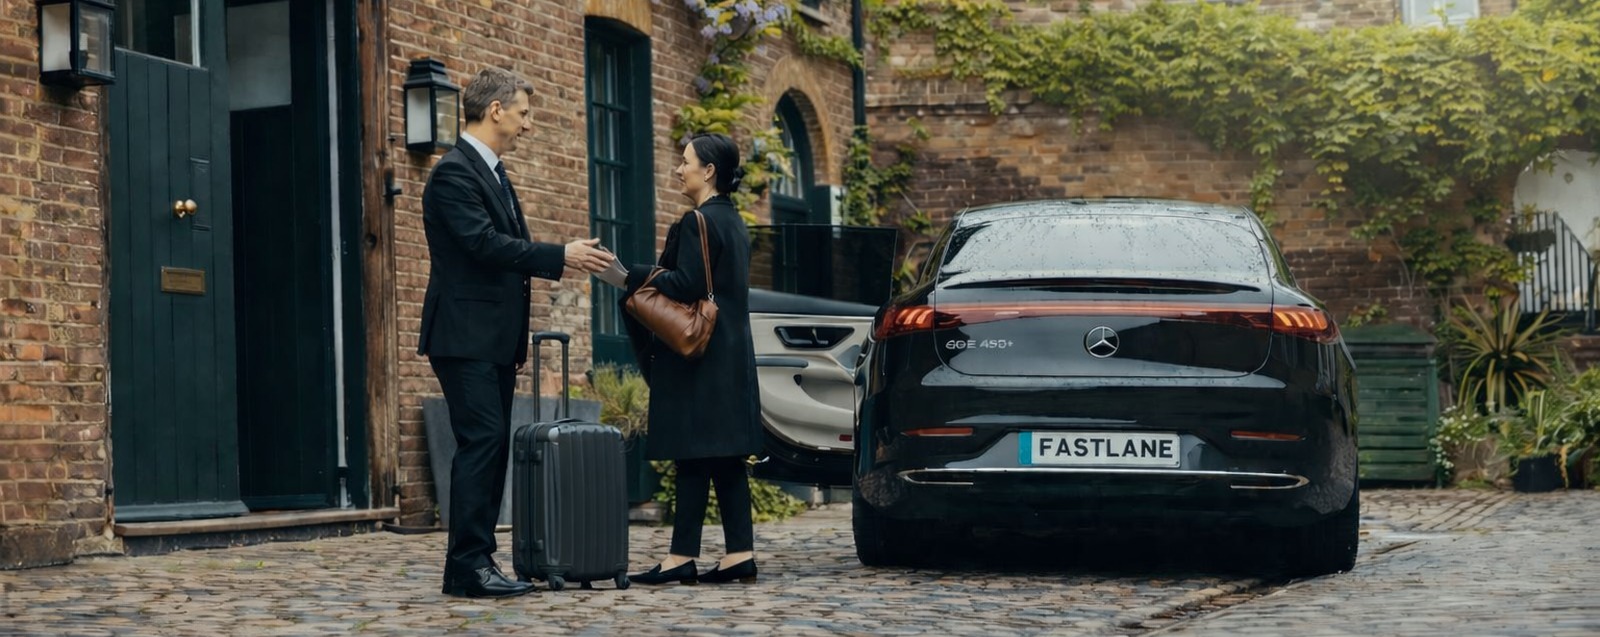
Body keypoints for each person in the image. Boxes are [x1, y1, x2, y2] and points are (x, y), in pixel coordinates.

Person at [418, 67, 614, 599]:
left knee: (491, 444)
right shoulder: (453, 173)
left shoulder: (495, 172)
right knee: (481, 442)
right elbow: (484, 245)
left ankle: (477, 561)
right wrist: (560, 255)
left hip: (491, 339)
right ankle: (467, 567)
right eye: (524, 114)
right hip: (463, 336)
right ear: (496, 110)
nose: (528, 125)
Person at [623, 133, 764, 586]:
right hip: (730, 353)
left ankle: (680, 557)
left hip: (698, 354)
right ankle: (739, 553)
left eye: (686, 162)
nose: (679, 169)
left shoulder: (697, 220)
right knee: (725, 457)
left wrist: (635, 275)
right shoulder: (734, 221)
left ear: (709, 171)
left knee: (692, 455)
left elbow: (687, 284)